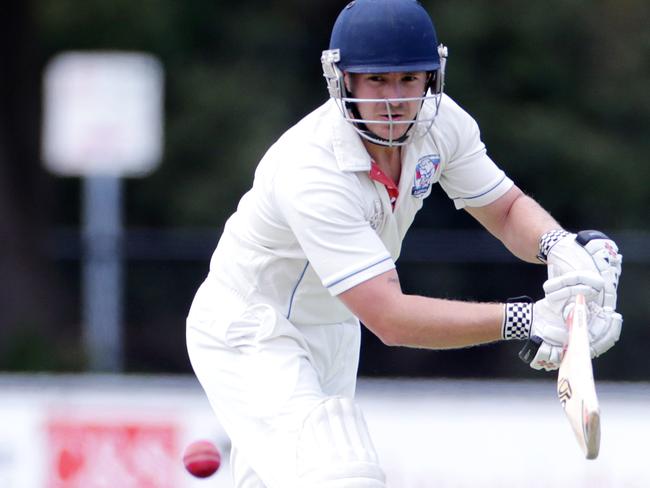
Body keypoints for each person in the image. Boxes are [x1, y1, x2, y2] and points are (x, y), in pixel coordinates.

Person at [186, 1, 623, 486]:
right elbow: (390, 317)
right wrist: (526, 319)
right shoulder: (310, 169)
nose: (394, 100)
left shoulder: (441, 124)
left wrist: (560, 248)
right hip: (251, 329)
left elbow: (504, 208)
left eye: (408, 80)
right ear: (343, 80)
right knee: (342, 473)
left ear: (430, 79)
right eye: (376, 81)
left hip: (333, 326)